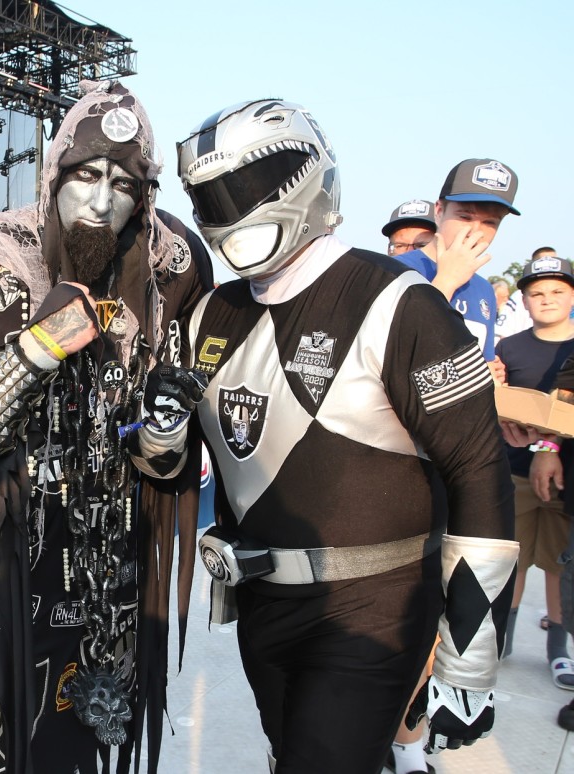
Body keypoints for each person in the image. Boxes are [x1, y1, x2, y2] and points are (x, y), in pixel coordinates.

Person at [176, 100, 517, 773]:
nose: (234, 208)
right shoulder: (211, 313)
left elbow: (477, 470)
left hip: (375, 607)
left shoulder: (400, 303)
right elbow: (181, 462)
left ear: (306, 176)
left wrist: (468, 663)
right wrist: (157, 429)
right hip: (263, 607)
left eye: (248, 184)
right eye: (213, 195)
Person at [0, 80, 213, 772]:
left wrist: (163, 439)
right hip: (15, 587)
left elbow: (164, 445)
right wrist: (39, 347)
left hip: (112, 592)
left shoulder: (166, 269)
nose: (101, 201)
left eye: (123, 184)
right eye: (88, 177)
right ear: (56, 174)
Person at [496, 256, 574, 682]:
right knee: (515, 557)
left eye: (558, 291)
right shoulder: (510, 347)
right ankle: (503, 636)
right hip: (517, 471)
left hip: (567, 476)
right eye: (537, 293)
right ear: (523, 301)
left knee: (560, 563)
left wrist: (552, 442)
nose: (547, 300)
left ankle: (558, 648)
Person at [395, 158, 520, 366]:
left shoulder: (484, 289)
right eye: (464, 217)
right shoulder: (392, 270)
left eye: (490, 222)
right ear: (439, 211)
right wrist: (446, 282)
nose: (476, 231)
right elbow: (395, 348)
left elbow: (484, 364)